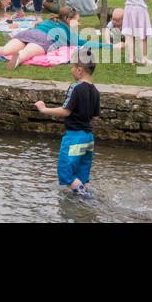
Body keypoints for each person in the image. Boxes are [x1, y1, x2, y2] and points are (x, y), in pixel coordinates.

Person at [33, 54, 100, 199]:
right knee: (82, 176)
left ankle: (90, 200)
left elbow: (66, 111)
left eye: (72, 67)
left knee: (66, 174)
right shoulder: (95, 91)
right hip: (88, 139)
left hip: (74, 137)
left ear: (80, 70)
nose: (71, 70)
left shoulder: (75, 87)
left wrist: (44, 109)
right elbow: (95, 117)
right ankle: (81, 206)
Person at [0, 6, 102, 69]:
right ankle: (18, 59)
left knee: (4, 50)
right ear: (67, 19)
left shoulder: (50, 21)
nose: (79, 23)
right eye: (77, 20)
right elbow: (85, 42)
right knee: (27, 52)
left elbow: (38, 24)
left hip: (29, 33)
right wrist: (112, 46)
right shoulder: (67, 31)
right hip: (43, 39)